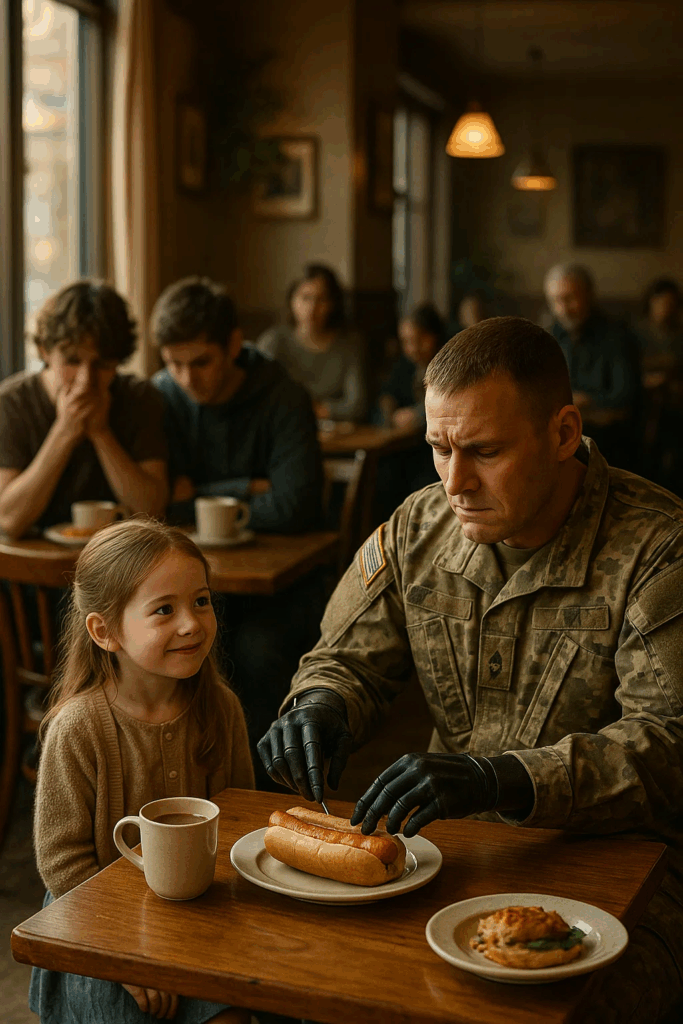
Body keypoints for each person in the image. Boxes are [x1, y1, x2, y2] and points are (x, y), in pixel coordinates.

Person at [259, 316, 683, 1023]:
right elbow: (342, 657)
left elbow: (668, 745)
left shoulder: (658, 549)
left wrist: (503, 776)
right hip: (444, 857)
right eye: (438, 448)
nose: (454, 481)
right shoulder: (416, 528)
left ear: (562, 433)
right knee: (297, 978)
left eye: (483, 451)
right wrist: (320, 704)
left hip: (621, 870)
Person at [30, 518, 254, 1024]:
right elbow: (63, 864)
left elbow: (238, 821)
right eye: (163, 610)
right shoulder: (79, 727)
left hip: (196, 917)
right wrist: (126, 954)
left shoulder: (221, 708)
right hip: (96, 927)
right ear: (105, 631)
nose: (192, 623)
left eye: (201, 601)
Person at [150, 277, 325, 790]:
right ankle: (174, 790)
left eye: (200, 362)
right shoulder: (163, 394)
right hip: (189, 583)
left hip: (284, 585)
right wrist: (245, 487)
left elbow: (295, 505)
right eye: (173, 363)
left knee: (252, 650)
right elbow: (160, 502)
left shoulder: (282, 395)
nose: (186, 378)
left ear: (233, 345)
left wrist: (197, 492)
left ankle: (266, 792)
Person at [0, 280, 168, 538]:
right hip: (30, 568)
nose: (85, 380)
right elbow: (7, 520)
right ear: (45, 351)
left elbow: (152, 513)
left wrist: (101, 433)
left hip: (117, 568)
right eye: (72, 361)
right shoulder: (11, 403)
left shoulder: (140, 398)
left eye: (101, 364)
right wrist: (64, 433)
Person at [543, 263, 642, 472]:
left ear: (589, 295)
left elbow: (626, 396)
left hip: (610, 442)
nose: (563, 309)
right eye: (556, 301)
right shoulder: (551, 335)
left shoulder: (617, 336)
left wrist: (587, 400)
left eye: (570, 298)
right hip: (561, 433)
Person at [257, 263, 366, 423]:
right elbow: (260, 398)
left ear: (333, 304)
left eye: (321, 299)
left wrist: (322, 411)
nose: (312, 308)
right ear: (292, 300)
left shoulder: (350, 344)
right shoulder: (273, 341)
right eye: (305, 298)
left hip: (338, 433)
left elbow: (357, 406)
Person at [374, 304, 446, 522]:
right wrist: (388, 408)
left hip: (434, 451)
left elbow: (448, 404)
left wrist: (417, 416)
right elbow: (387, 395)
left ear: (434, 336)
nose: (412, 348)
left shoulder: (448, 364)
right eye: (406, 341)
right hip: (403, 449)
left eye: (419, 339)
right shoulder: (404, 367)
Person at [636, 277, 683, 375]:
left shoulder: (677, 333)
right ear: (651, 301)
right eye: (660, 302)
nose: (665, 308)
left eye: (670, 304)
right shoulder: (636, 330)